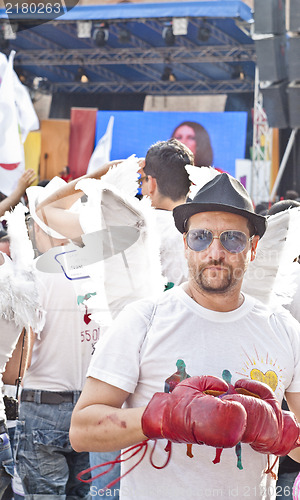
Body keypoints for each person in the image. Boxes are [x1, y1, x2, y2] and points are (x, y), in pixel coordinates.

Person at [70, 172, 300, 500]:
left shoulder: (284, 330)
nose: (215, 252)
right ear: (185, 244)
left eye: (232, 238)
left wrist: (282, 431)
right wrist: (164, 417)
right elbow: (81, 430)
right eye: (201, 237)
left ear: (253, 248)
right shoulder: (143, 320)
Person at [13, 178, 103, 499]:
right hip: (89, 404)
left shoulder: (36, 275)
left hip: (42, 404)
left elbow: (23, 350)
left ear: (40, 229)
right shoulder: (98, 271)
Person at [138, 138, 194, 286]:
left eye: (142, 181)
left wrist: (108, 171)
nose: (140, 188)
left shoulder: (131, 227)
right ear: (190, 187)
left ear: (152, 184)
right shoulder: (202, 235)